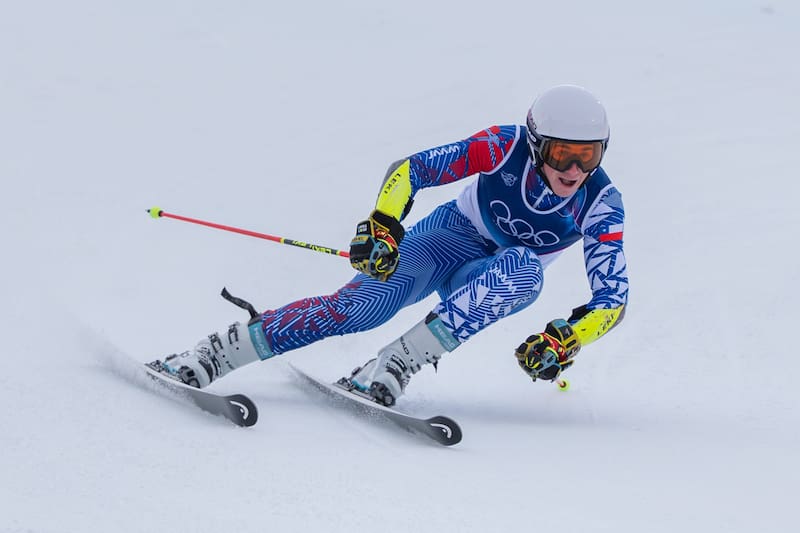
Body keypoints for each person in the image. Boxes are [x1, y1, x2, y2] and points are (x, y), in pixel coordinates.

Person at [147, 84, 628, 407]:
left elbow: (613, 299)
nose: (574, 169)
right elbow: (412, 170)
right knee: (362, 308)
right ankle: (213, 354)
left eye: (589, 155)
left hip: (491, 277)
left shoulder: (600, 200)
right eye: (563, 152)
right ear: (537, 142)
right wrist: (383, 225)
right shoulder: (504, 146)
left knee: (525, 270)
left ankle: (394, 364)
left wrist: (569, 338)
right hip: (447, 239)